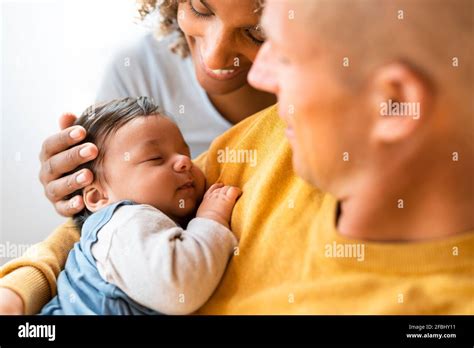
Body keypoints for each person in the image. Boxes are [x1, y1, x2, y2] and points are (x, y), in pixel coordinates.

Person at [1, 0, 473, 315]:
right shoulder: (256, 144)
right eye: (200, 8)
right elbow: (125, 216)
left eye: (279, 49)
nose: (260, 77)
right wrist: (24, 288)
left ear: (393, 102)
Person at [40, 97, 240, 314]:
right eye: (155, 158)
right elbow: (178, 286)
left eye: (185, 153)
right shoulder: (123, 222)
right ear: (97, 197)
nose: (184, 162)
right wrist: (212, 218)